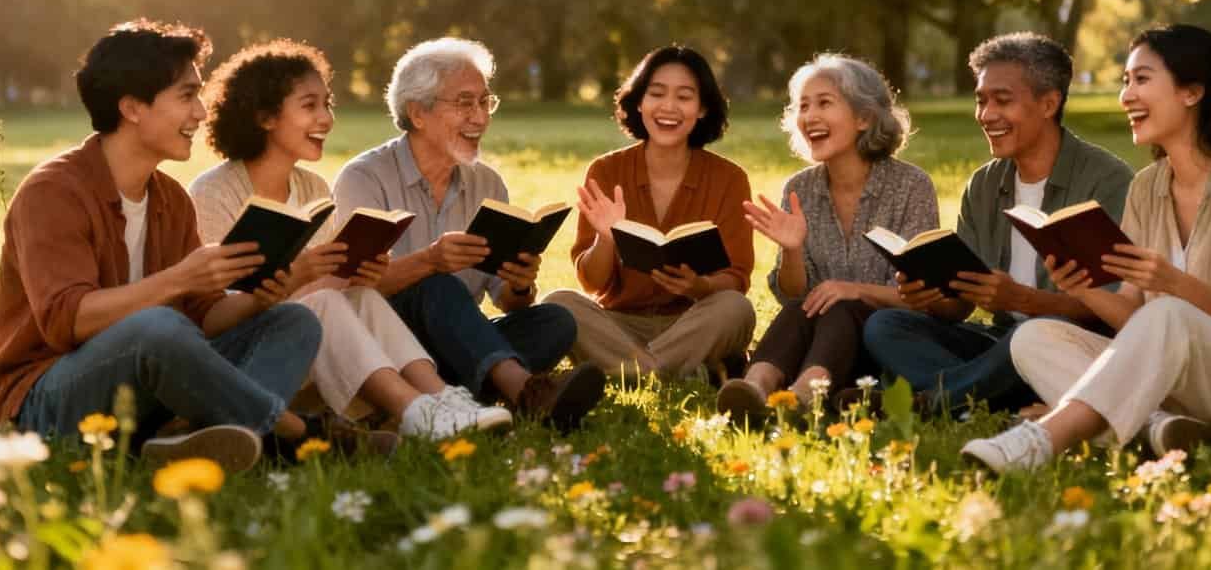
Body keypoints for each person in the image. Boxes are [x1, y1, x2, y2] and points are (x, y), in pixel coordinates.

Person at [961, 25, 1211, 473]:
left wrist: (1171, 283)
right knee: (1034, 338)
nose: (1126, 96)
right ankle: (1161, 429)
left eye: (1141, 79)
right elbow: (1131, 317)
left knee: (1168, 311)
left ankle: (1043, 440)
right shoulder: (1148, 187)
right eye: (1125, 81)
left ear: (1191, 92)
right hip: (1177, 386)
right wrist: (1084, 289)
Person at [0, 21, 321, 472]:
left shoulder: (171, 199)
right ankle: (295, 435)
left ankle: (191, 438)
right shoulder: (53, 192)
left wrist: (258, 297)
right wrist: (180, 278)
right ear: (133, 108)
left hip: (144, 387)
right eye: (186, 96)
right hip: (46, 400)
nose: (201, 113)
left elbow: (203, 317)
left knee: (293, 321)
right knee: (156, 326)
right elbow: (67, 322)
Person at [190, 40, 511, 445]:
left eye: (329, 105)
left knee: (361, 297)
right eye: (310, 106)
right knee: (327, 303)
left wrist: (357, 275)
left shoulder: (313, 188)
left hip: (311, 341)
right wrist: (302, 274)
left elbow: (327, 293)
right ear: (265, 116)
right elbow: (214, 316)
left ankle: (442, 398)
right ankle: (412, 410)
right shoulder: (214, 193)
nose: (326, 118)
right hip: (249, 357)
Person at [332, 38, 604, 431]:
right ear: (417, 113)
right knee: (435, 284)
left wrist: (521, 284)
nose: (480, 118)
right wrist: (429, 261)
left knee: (555, 322)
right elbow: (352, 288)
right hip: (391, 348)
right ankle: (525, 391)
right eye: (464, 103)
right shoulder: (364, 178)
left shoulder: (488, 183)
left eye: (484, 102)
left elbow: (507, 303)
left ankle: (447, 396)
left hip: (460, 343)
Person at [862, 33, 1133, 413]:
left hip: (1070, 345)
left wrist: (1026, 301)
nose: (986, 115)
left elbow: (1116, 309)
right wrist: (932, 296)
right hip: (1000, 343)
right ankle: (985, 397)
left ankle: (934, 401)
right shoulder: (985, 184)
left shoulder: (1108, 181)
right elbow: (960, 308)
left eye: (1002, 100)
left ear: (1049, 103)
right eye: (981, 100)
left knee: (1029, 337)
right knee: (886, 326)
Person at [717, 55, 937, 422]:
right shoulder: (799, 188)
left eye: (824, 103)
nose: (809, 116)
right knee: (800, 308)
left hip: (887, 339)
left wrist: (854, 290)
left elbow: (922, 299)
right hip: (819, 341)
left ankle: (803, 397)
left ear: (864, 118)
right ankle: (753, 388)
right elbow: (793, 293)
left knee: (839, 306)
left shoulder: (912, 187)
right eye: (803, 106)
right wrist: (792, 250)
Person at [545, 45, 757, 381]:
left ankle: (632, 372)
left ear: (702, 109)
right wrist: (605, 237)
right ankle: (670, 371)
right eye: (656, 93)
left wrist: (698, 285)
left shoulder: (730, 179)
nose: (668, 107)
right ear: (639, 102)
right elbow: (591, 281)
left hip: (693, 322)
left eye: (684, 97)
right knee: (557, 304)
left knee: (736, 309)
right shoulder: (606, 170)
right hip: (619, 325)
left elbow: (737, 280)